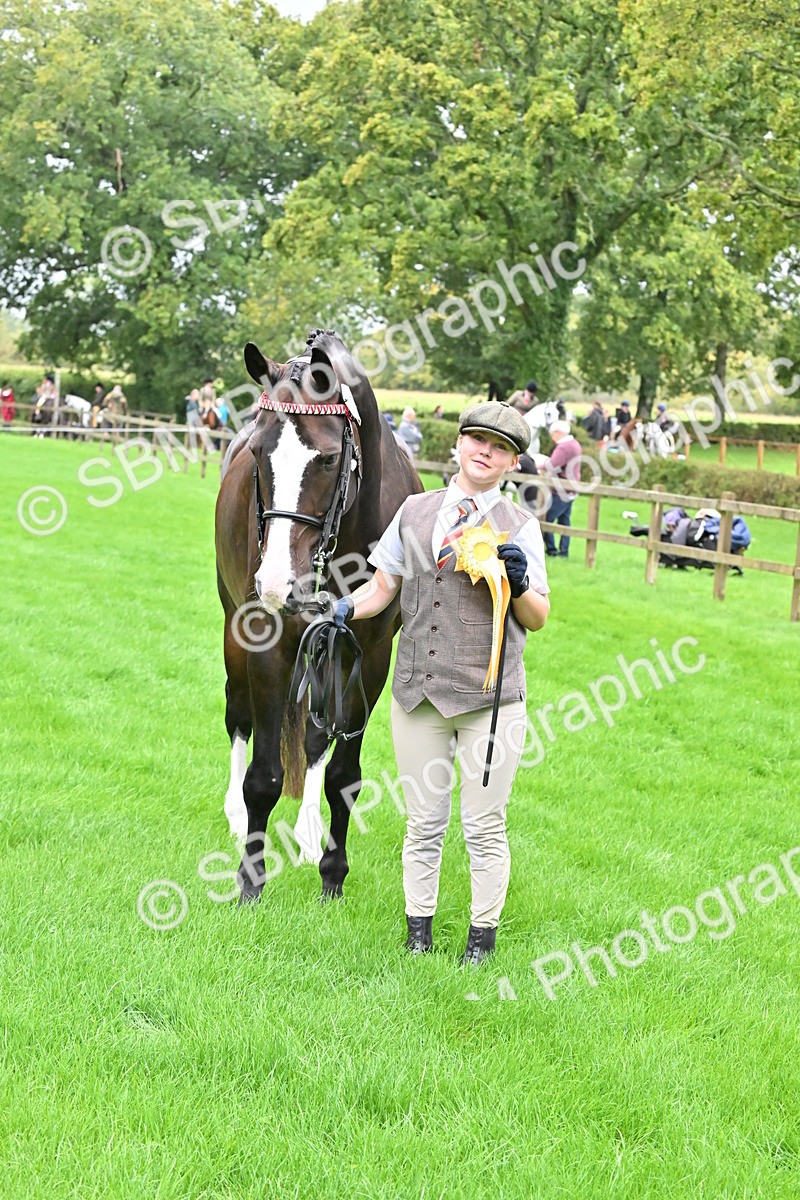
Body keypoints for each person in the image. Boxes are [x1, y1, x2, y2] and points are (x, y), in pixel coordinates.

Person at [328, 402, 550, 965]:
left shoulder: (522, 528)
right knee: (423, 822)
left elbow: (537, 618)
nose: (484, 451)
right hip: (417, 694)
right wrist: (340, 608)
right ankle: (418, 933)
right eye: (476, 439)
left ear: (512, 462)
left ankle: (481, 939)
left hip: (489, 702)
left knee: (484, 826)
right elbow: (383, 588)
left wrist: (520, 584)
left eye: (498, 447)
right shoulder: (414, 511)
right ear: (458, 444)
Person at [541, 420, 582, 558]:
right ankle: (564, 552)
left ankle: (551, 551)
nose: (552, 437)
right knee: (565, 522)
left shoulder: (563, 447)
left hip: (561, 490)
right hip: (572, 488)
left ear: (558, 433)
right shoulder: (574, 444)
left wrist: (540, 465)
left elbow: (552, 465)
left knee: (546, 520)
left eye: (553, 434)